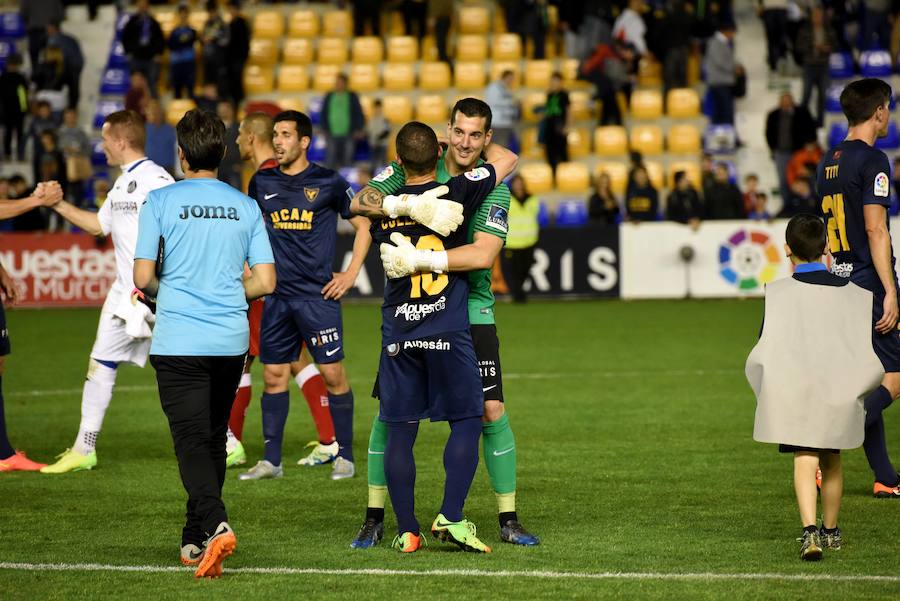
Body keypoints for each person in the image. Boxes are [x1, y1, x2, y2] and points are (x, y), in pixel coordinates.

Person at [349, 98, 540, 548]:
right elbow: (361, 200)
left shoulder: (492, 187)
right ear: (445, 134)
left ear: (487, 138)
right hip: (417, 312)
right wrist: (409, 206)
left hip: (471, 306)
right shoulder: (411, 170)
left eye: (477, 135)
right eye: (459, 133)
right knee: (391, 414)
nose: (467, 142)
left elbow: (483, 255)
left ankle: (507, 518)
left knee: (490, 409)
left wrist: (420, 257)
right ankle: (375, 516)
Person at [133, 108, 276, 578]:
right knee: (213, 436)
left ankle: (216, 525)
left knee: (192, 439)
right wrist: (226, 293)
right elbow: (266, 281)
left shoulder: (160, 201)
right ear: (223, 152)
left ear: (180, 153)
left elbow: (142, 277)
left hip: (179, 337)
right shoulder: (246, 206)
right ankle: (194, 538)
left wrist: (167, 293)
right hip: (230, 339)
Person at [238, 110, 371, 482]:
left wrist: (350, 273)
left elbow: (364, 225)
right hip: (277, 297)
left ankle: (344, 455)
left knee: (333, 374)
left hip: (317, 297)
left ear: (304, 142)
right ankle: (271, 461)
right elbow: (250, 231)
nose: (278, 141)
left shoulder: (328, 181)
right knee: (275, 376)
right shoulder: (261, 181)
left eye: (285, 135)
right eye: (276, 134)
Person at [39, 111, 175, 474]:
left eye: (104, 139)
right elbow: (100, 226)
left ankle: (224, 441)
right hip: (123, 296)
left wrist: (161, 281)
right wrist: (58, 205)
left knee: (182, 369)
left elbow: (175, 234)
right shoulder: (121, 183)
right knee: (100, 363)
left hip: (159, 294)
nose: (101, 147)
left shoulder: (157, 180)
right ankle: (84, 448)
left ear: (120, 141)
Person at [747, 214, 883, 560]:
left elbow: (766, 343)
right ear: (827, 248)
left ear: (787, 250)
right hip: (837, 388)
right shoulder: (856, 295)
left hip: (797, 388)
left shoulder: (777, 293)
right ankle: (832, 530)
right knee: (833, 458)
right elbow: (862, 347)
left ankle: (810, 532)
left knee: (804, 457)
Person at [229, 112, 337, 469]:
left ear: (252, 137)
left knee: (256, 357)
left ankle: (231, 442)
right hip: (279, 286)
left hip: (275, 288)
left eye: (241, 135)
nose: (237, 142)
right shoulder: (265, 177)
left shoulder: (273, 176)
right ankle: (329, 438)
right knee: (283, 359)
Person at [817, 78, 900, 498]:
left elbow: (827, 236)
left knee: (864, 382)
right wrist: (890, 289)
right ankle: (823, 445)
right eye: (889, 107)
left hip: (839, 280)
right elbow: (875, 227)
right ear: (879, 111)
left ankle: (885, 476)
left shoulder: (826, 162)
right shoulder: (874, 161)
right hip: (868, 281)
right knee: (895, 377)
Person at [766, 93, 817, 205]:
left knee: (805, 178)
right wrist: (773, 149)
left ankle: (809, 204)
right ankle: (788, 205)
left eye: (787, 100)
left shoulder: (802, 112)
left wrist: (810, 142)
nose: (785, 102)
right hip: (781, 153)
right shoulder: (773, 115)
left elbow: (811, 127)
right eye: (783, 100)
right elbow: (769, 133)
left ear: (792, 101)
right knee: (784, 180)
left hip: (799, 152)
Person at [796, 7, 836, 126]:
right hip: (809, 66)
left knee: (823, 95)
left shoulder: (829, 30)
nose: (817, 18)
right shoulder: (804, 30)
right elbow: (798, 46)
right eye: (815, 15)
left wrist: (826, 48)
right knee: (805, 96)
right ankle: (802, 122)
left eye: (819, 15)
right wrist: (812, 45)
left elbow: (835, 45)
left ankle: (820, 122)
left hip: (823, 66)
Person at [502, 174, 540, 303]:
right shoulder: (506, 198)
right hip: (512, 242)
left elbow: (535, 215)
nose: (519, 186)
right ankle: (518, 295)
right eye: (516, 183)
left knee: (525, 270)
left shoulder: (532, 199)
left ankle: (519, 294)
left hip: (529, 241)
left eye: (520, 183)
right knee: (513, 272)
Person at [321, 74, 366, 171]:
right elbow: (323, 112)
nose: (338, 84)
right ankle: (329, 183)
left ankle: (347, 183)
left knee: (348, 160)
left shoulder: (352, 96)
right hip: (331, 133)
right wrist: (323, 129)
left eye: (341, 82)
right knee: (330, 160)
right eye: (337, 82)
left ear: (345, 84)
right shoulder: (329, 96)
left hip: (349, 133)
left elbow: (359, 112)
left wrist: (359, 129)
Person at [121, 0, 165, 98]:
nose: (142, 6)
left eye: (144, 4)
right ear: (137, 5)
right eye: (140, 4)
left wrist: (158, 53)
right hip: (136, 58)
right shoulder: (131, 22)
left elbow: (160, 40)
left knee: (152, 82)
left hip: (151, 59)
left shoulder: (154, 23)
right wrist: (130, 53)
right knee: (136, 84)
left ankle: (154, 106)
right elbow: (125, 40)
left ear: (147, 6)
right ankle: (134, 108)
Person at [704, 21, 737, 126]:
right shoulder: (715, 42)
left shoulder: (721, 43)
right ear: (727, 31)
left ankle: (727, 135)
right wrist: (734, 68)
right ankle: (723, 136)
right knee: (724, 112)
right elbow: (719, 61)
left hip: (723, 82)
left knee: (724, 111)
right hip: (719, 82)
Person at [58, 107, 92, 206]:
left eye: (72, 116)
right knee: (61, 194)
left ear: (76, 117)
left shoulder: (81, 132)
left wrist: (79, 152)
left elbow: (89, 150)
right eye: (67, 117)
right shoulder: (60, 132)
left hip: (77, 166)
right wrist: (65, 149)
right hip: (63, 166)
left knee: (78, 194)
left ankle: (77, 217)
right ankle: (60, 219)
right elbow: (55, 148)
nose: (70, 119)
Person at [45, 21, 83, 110]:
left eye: (49, 29)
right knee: (73, 93)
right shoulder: (71, 38)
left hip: (65, 69)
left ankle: (60, 113)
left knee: (53, 90)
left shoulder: (53, 39)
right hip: (74, 68)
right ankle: (71, 111)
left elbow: (51, 59)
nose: (47, 31)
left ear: (54, 29)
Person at [20, 0, 64, 72]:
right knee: (52, 58)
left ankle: (37, 75)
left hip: (35, 31)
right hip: (50, 31)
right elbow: (60, 15)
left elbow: (23, 14)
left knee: (35, 58)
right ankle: (51, 76)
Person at [0, 55, 29, 162]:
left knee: (19, 133)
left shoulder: (20, 78)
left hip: (18, 110)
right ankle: (7, 154)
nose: (12, 67)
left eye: (14, 65)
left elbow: (24, 95)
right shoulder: (3, 78)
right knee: (8, 133)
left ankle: (20, 154)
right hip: (6, 111)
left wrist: (25, 108)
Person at [168, 5, 198, 100]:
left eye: (185, 14)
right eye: (181, 14)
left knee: (190, 89)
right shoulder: (173, 32)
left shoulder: (192, 31)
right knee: (177, 89)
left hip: (188, 62)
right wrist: (183, 42)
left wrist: (180, 42)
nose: (183, 16)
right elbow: (171, 45)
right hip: (176, 62)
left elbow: (190, 42)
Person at [541, 72, 569, 170]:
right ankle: (552, 172)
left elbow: (568, 111)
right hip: (549, 125)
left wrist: (567, 126)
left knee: (562, 151)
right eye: (553, 81)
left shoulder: (564, 95)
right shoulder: (549, 94)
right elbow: (548, 110)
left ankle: (564, 173)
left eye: (557, 81)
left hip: (560, 125)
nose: (554, 83)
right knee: (550, 151)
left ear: (561, 82)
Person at [484, 70, 519, 149]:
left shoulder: (507, 89)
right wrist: (510, 102)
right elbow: (492, 101)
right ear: (504, 77)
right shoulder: (494, 87)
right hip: (497, 123)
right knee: (497, 147)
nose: (511, 81)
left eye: (512, 79)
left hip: (506, 123)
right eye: (510, 78)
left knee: (503, 147)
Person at [225, 0, 250, 106]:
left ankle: (238, 102)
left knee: (237, 80)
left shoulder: (242, 22)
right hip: (230, 58)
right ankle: (234, 101)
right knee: (231, 81)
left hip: (238, 58)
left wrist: (243, 56)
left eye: (232, 8)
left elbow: (245, 41)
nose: (231, 11)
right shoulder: (230, 23)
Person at [145, 99, 177, 174]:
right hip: (148, 169)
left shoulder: (170, 129)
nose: (155, 114)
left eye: (157, 111)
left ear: (162, 113)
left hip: (167, 168)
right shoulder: (144, 129)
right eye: (152, 112)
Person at [217, 101, 242, 191]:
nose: (223, 111)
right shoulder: (216, 128)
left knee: (236, 191)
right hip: (219, 166)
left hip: (234, 166)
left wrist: (240, 163)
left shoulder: (239, 127)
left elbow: (243, 145)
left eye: (225, 109)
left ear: (231, 110)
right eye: (221, 109)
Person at [366, 99, 391, 171]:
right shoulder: (371, 119)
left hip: (382, 144)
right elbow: (368, 131)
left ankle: (386, 178)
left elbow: (387, 131)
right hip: (373, 144)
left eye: (379, 108)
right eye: (375, 108)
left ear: (381, 108)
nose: (377, 110)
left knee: (383, 162)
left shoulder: (385, 119)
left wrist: (378, 138)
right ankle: (372, 176)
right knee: (372, 163)